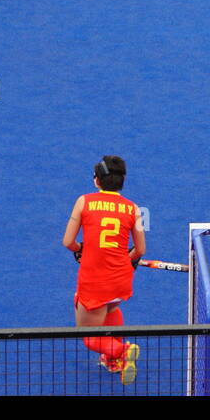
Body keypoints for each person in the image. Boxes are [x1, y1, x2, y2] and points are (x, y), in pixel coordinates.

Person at [61, 155, 146, 385]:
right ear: (122, 180)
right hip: (121, 279)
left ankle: (122, 351)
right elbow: (139, 250)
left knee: (87, 336)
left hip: (94, 281)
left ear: (96, 180)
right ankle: (112, 360)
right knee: (109, 310)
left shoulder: (84, 202)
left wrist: (81, 250)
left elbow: (68, 242)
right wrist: (127, 260)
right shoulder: (133, 209)